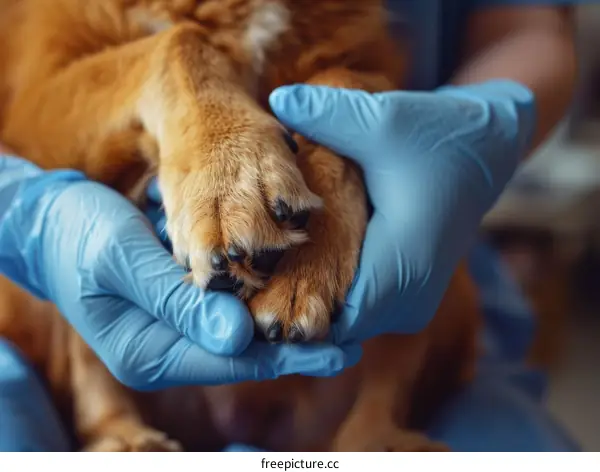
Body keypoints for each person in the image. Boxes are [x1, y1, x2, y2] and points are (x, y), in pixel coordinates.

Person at [0, 0, 585, 452]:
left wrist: (475, 130)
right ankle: (104, 418)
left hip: (375, 328)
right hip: (61, 336)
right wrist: (29, 218)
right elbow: (36, 113)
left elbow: (528, 24)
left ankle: (378, 420)